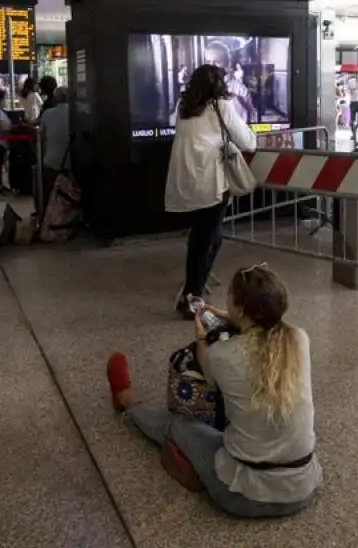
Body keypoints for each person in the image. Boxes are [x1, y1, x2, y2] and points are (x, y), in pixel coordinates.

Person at [106, 264, 322, 518]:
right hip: (304, 489)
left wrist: (200, 338)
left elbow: (208, 373)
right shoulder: (299, 338)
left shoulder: (223, 355)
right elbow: (262, 330)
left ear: (240, 308)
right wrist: (233, 318)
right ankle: (197, 469)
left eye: (229, 297)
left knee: (180, 425)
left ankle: (127, 400)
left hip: (243, 496)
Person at [165, 64, 256, 318]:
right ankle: (191, 298)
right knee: (205, 241)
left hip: (185, 181)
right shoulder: (220, 107)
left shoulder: (184, 109)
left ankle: (194, 290)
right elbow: (249, 142)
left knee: (207, 237)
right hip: (211, 183)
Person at [204, 41, 257, 123]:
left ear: (227, 63)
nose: (211, 66)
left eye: (217, 62)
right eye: (208, 62)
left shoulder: (240, 90)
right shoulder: (198, 88)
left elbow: (251, 119)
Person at [40, 87, 71, 211]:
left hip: (52, 162)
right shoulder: (79, 113)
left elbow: (43, 139)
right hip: (73, 162)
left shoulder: (47, 114)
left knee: (51, 194)